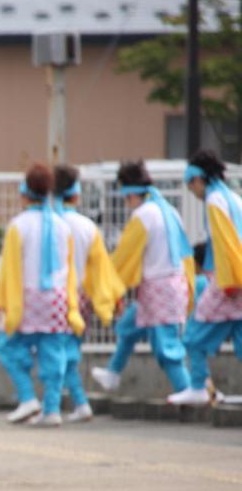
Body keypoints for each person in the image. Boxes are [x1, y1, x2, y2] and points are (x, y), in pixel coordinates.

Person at [90, 161, 195, 401]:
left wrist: (108, 287)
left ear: (132, 193)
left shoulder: (144, 216)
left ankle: (188, 389)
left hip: (159, 288)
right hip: (170, 286)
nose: (126, 205)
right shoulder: (168, 210)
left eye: (125, 199)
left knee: (166, 346)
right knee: (128, 327)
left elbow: (123, 257)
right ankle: (113, 373)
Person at [0, 164, 84, 427]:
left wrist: (2, 303)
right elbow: (69, 271)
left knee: (9, 347)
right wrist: (72, 304)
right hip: (56, 300)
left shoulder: (17, 226)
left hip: (26, 299)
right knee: (54, 352)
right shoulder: (61, 224)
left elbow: (8, 270)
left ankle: (27, 397)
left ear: (25, 193)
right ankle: (52, 409)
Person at [52, 165, 127, 422]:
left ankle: (71, 403)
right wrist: (113, 298)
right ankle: (75, 402)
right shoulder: (87, 226)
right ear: (76, 195)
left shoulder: (51, 222)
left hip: (52, 297)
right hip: (80, 298)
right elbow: (102, 269)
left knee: (56, 352)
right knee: (68, 350)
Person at [179, 149, 242, 404]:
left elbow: (225, 243)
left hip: (228, 279)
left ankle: (198, 386)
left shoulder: (215, 201)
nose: (191, 191)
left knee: (194, 334)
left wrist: (230, 281)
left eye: (189, 184)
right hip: (237, 277)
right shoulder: (234, 198)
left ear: (198, 179)